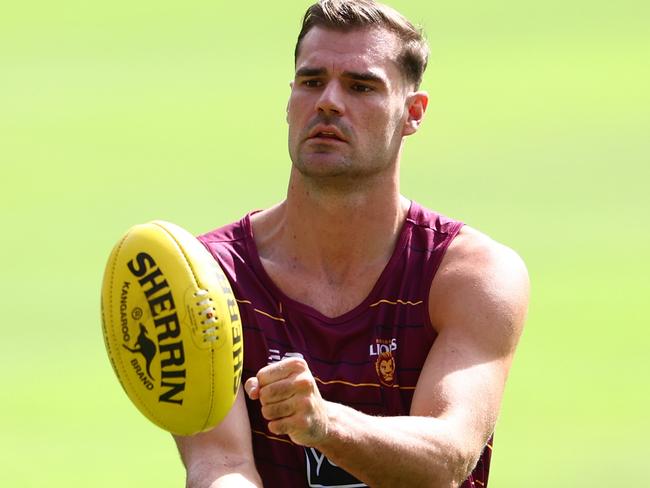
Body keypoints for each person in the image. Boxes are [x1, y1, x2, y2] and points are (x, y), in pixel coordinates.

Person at [174, 1, 529, 486]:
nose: (328, 102)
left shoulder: (470, 275)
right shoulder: (206, 276)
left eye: (361, 86)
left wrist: (325, 425)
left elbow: (448, 458)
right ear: (290, 99)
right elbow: (221, 466)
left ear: (413, 113)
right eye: (312, 81)